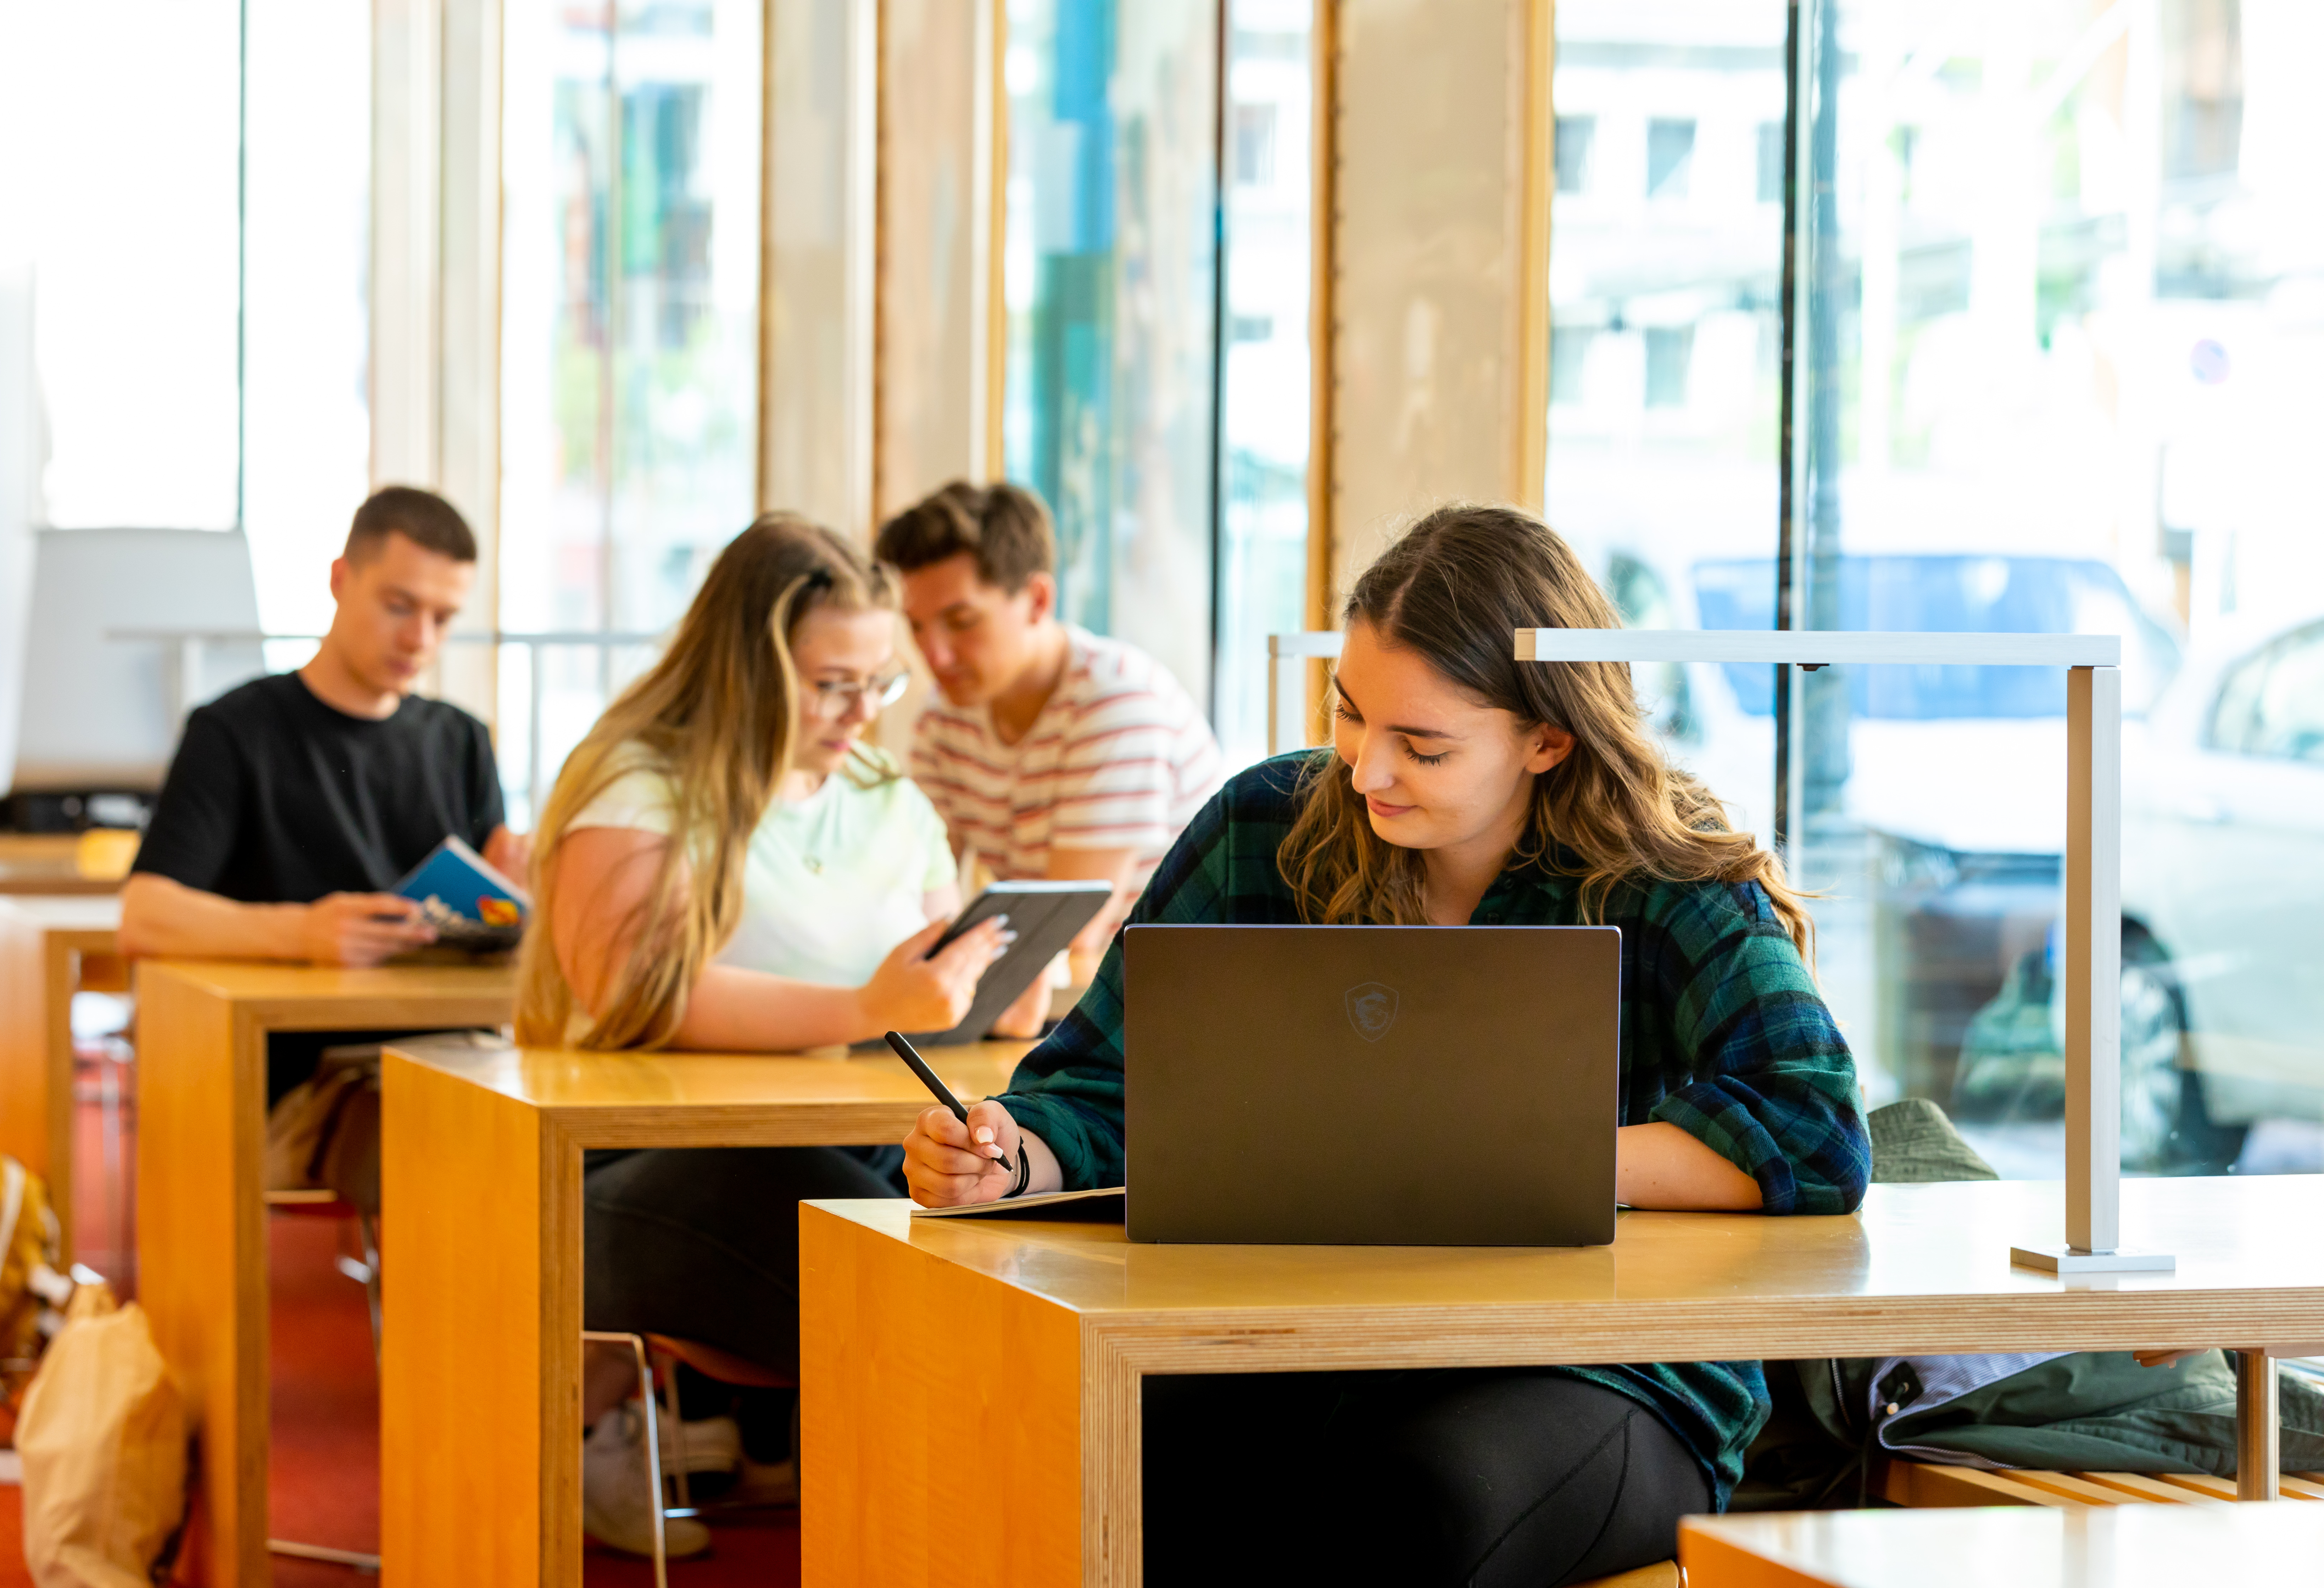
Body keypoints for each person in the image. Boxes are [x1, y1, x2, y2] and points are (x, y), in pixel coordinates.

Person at [904, 504, 1872, 1586]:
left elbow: (1816, 1129)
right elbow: (1100, 1084)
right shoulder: (1263, 826)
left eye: (1424, 746)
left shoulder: (1665, 868)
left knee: (1412, 1506)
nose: (1366, 772)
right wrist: (1014, 1158)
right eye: (1353, 717)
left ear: (1545, 740)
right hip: (1298, 1345)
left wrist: (1513, 1162)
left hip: (1601, 1370)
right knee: (1070, 1443)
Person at [516, 513, 1008, 1558]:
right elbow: (634, 996)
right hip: (651, 1164)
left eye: (880, 683)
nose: (861, 713)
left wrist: (998, 987)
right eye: (832, 684)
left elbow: (927, 974)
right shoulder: (638, 780)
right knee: (936, 1292)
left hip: (858, 1139)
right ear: (747, 667)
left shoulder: (882, 793)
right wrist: (867, 1010)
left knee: (998, 1243)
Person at [117, 485, 527, 1208]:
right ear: (341, 580)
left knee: (542, 1131)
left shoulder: (463, 741)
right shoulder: (235, 732)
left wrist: (521, 906)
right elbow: (144, 914)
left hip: (459, 1053)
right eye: (400, 605)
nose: (421, 639)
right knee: (468, 1143)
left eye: (444, 617)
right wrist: (302, 931)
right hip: (309, 1076)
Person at [875, 481, 1223, 1034]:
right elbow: (921, 893)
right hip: (1062, 1004)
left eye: (962, 622)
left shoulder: (1117, 702)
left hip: (1173, 1010)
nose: (934, 655)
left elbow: (1073, 931)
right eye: (917, 626)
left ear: (1038, 600)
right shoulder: (943, 715)